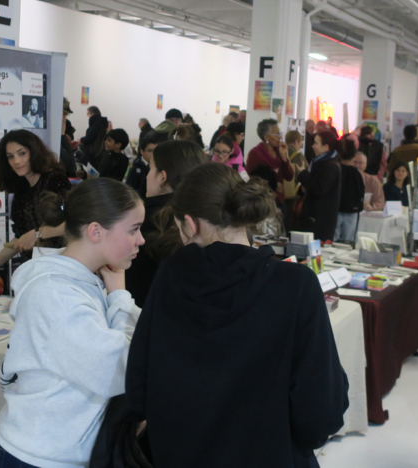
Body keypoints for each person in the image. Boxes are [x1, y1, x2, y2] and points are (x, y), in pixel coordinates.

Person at [125, 163, 349, 467]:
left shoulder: (171, 276)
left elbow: (139, 385)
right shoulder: (295, 286)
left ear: (189, 224)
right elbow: (322, 409)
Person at [0, 179, 144, 468]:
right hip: (38, 456)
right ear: (95, 231)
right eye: (133, 230)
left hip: (51, 450)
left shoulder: (83, 280)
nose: (141, 240)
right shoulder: (57, 295)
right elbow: (120, 368)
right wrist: (120, 298)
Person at [0, 130, 70, 281]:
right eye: (10, 156)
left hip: (63, 267)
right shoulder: (21, 190)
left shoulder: (55, 180)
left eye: (22, 153)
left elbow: (75, 223)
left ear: (34, 152)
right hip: (38, 269)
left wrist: (37, 234)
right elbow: (20, 239)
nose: (16, 161)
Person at [125, 140, 207, 307]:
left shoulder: (140, 220)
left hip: (144, 312)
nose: (147, 176)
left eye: (151, 169)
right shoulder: (210, 218)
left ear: (162, 177)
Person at [298, 130, 341, 242]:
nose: (313, 146)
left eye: (316, 143)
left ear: (326, 147)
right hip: (315, 218)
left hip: (321, 221)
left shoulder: (330, 166)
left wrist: (303, 174)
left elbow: (319, 189)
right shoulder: (319, 163)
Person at [245, 119, 294, 202]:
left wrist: (284, 159)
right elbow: (249, 178)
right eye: (276, 134)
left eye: (280, 133)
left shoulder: (279, 150)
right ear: (266, 137)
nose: (280, 137)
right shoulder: (255, 153)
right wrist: (272, 185)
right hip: (262, 201)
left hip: (279, 200)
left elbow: (289, 177)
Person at [335, 140, 366, 242]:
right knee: (347, 242)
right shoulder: (356, 173)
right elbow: (361, 192)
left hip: (336, 209)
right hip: (352, 210)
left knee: (333, 240)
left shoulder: (335, 169)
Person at [125, 130, 164, 198]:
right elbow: (129, 190)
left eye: (156, 150)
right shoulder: (135, 169)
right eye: (150, 151)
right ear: (142, 152)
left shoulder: (160, 167)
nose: (153, 154)